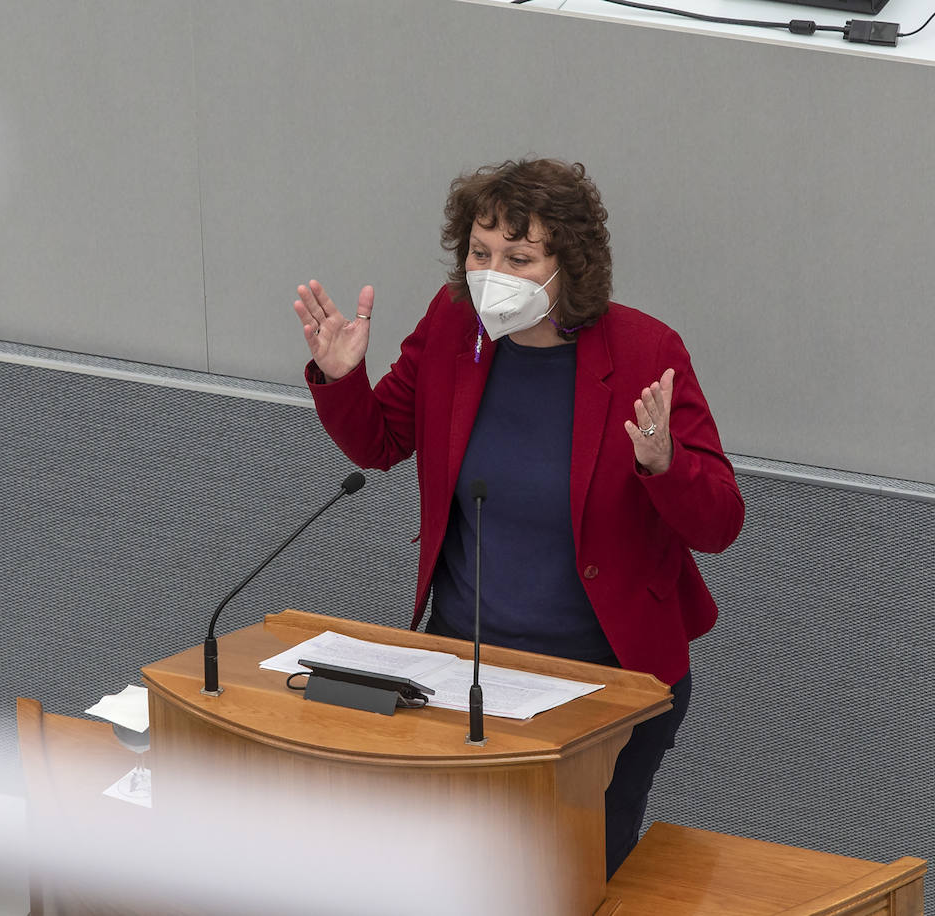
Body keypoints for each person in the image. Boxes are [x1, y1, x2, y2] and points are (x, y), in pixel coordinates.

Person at [293, 158, 744, 877]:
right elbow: (380, 443)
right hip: (465, 670)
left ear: (572, 264)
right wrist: (343, 380)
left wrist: (664, 464)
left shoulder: (645, 353)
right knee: (455, 875)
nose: (491, 273)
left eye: (519, 257)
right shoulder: (452, 328)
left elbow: (720, 523)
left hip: (607, 684)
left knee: (570, 880)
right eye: (479, 253)